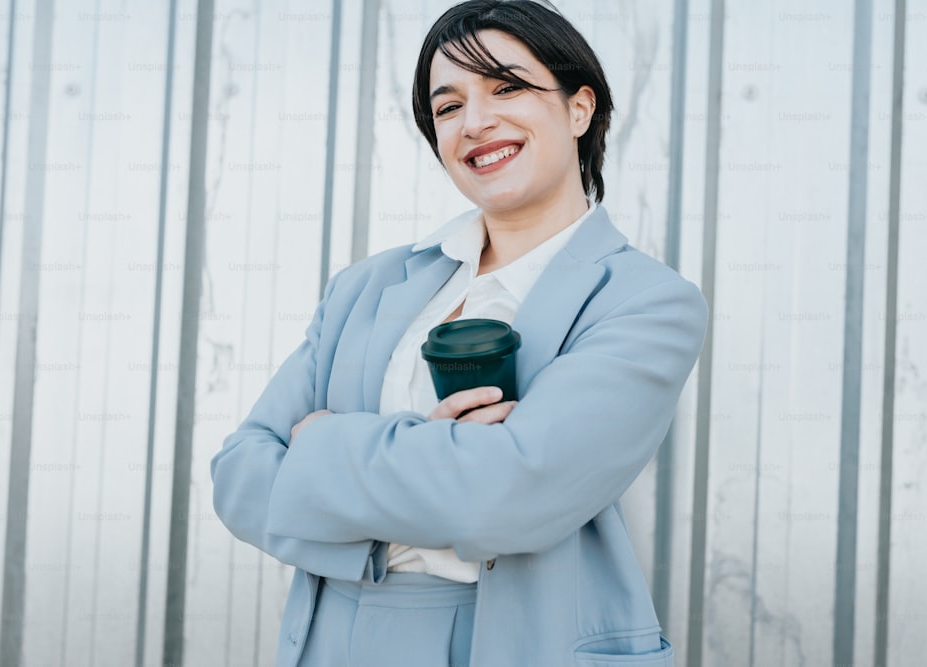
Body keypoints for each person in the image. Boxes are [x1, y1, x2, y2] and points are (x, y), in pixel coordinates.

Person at [211, 1, 707, 665]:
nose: (475, 122)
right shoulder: (365, 286)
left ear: (579, 108)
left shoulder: (645, 302)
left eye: (507, 87)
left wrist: (318, 444)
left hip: (513, 642)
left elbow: (505, 497)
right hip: (336, 637)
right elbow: (239, 474)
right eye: (448, 107)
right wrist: (448, 458)